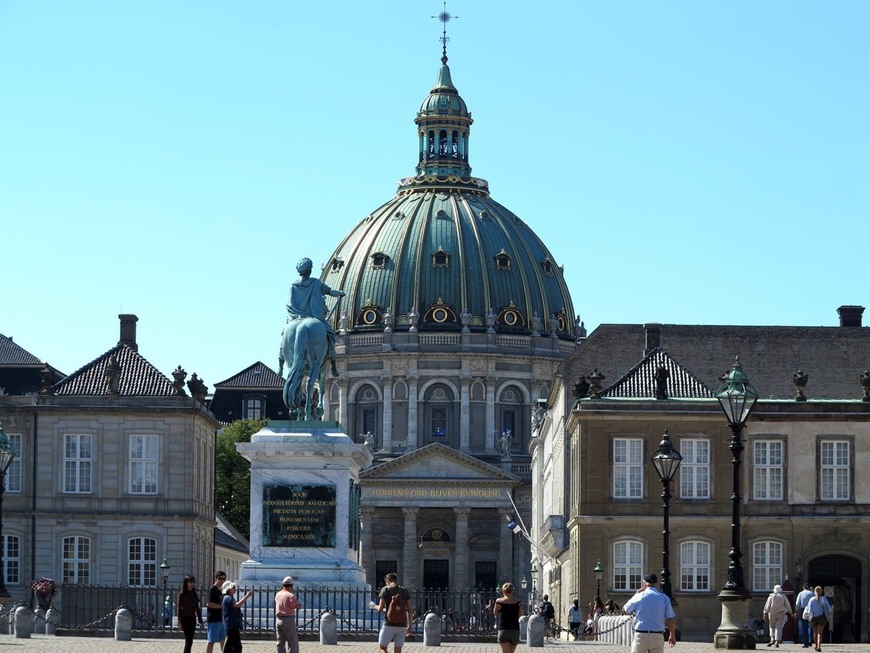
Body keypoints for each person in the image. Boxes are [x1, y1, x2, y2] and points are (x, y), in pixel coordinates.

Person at [286, 257, 346, 376]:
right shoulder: (316, 283)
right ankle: (333, 363)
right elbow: (330, 292)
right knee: (330, 336)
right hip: (314, 317)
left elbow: (290, 305)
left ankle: (281, 362)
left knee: (285, 334)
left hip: (296, 317)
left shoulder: (293, 286)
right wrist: (341, 293)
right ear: (309, 270)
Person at [622, 572, 677, 653]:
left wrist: (635, 594)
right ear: (656, 583)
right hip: (657, 635)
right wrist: (672, 635)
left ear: (644, 583)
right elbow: (670, 619)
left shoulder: (639, 596)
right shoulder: (664, 598)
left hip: (641, 634)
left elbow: (625, 609)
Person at [374, 572, 413, 653]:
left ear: (387, 581)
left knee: (382, 648)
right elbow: (410, 610)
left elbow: (380, 608)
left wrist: (374, 606)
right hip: (402, 624)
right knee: (398, 650)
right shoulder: (405, 591)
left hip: (389, 624)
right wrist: (410, 626)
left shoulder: (385, 589)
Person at [221, 580, 254, 653]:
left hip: (234, 624)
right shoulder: (228, 598)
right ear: (228, 589)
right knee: (232, 646)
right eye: (233, 587)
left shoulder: (230, 597)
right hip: (231, 625)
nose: (235, 589)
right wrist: (247, 596)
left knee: (236, 646)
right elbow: (237, 605)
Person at [492, 582, 523, 653]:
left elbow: (495, 613)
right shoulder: (518, 602)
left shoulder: (499, 601)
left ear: (503, 591)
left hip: (504, 629)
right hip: (515, 629)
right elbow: (520, 614)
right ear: (512, 591)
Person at [176, 575, 204, 653]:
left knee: (190, 640)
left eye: (193, 582)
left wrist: (200, 621)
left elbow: (197, 609)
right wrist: (180, 622)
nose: (192, 584)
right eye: (190, 582)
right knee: (188, 640)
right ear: (186, 583)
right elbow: (179, 610)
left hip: (192, 618)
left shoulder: (194, 594)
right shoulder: (182, 594)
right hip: (185, 618)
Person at [275, 576, 302, 653]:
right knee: (292, 642)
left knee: (280, 643)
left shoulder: (278, 594)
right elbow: (296, 606)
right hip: (288, 619)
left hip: (278, 619)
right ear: (291, 586)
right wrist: (299, 605)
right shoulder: (290, 595)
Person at [206, 571, 228, 653]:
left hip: (221, 618)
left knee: (223, 640)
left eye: (224, 579)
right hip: (213, 618)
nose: (222, 581)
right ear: (216, 578)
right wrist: (221, 607)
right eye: (220, 579)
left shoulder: (223, 591)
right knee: (211, 641)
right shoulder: (212, 589)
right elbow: (209, 604)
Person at [807, 586, 832, 652]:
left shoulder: (811, 599)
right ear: (821, 592)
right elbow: (829, 609)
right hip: (821, 617)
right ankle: (819, 646)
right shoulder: (823, 599)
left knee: (815, 633)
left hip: (814, 617)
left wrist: (810, 616)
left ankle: (815, 645)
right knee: (820, 633)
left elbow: (809, 609)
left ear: (814, 592)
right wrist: (829, 613)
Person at [794, 583, 814, 648]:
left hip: (804, 610)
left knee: (804, 626)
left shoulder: (801, 594)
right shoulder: (812, 593)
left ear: (803, 587)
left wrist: (796, 612)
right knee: (810, 625)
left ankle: (806, 643)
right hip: (811, 609)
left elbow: (798, 604)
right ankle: (810, 640)